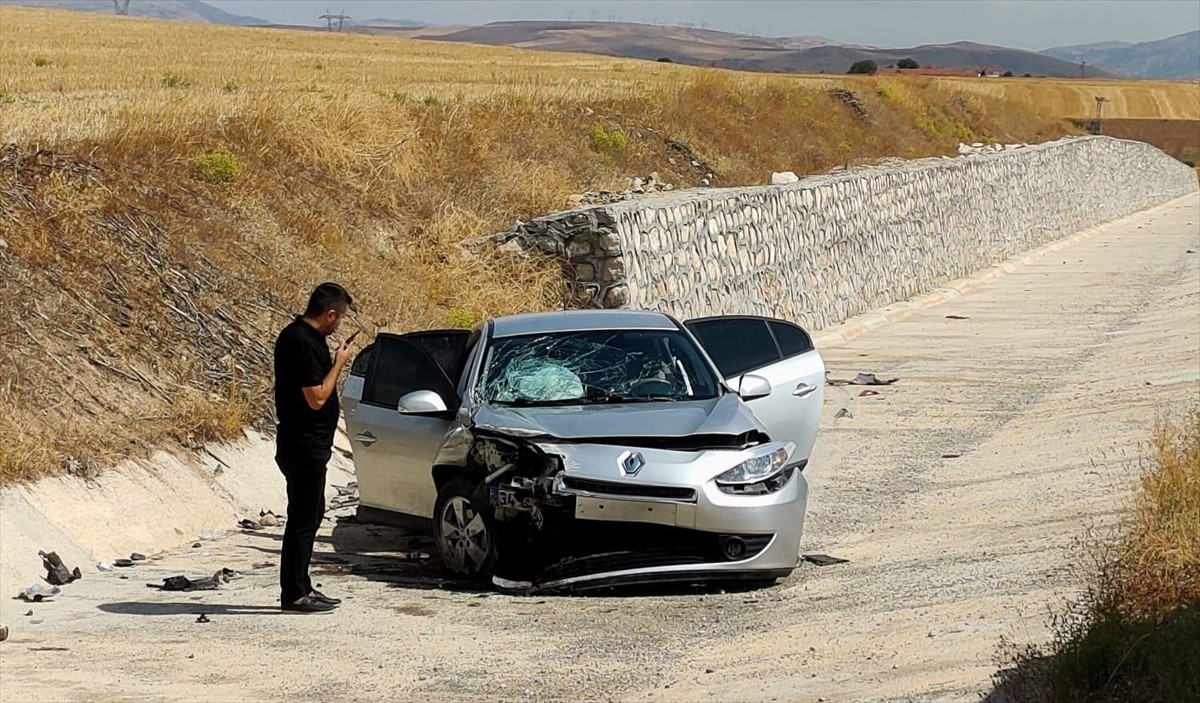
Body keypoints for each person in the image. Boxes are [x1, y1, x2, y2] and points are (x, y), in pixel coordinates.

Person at [273, 282, 356, 613]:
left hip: (310, 443)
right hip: (302, 444)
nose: (340, 324)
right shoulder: (300, 342)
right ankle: (293, 594)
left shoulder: (310, 338)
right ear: (329, 314)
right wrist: (339, 363)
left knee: (312, 512)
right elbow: (317, 397)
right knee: (303, 518)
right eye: (340, 318)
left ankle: (302, 584)